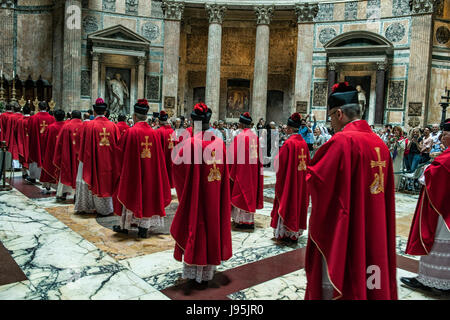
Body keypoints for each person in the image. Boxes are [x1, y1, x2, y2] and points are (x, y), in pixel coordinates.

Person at [305, 82, 397, 300]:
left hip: (349, 228)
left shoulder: (342, 141)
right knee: (371, 266)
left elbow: (317, 181)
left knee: (347, 272)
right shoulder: (380, 144)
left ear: (339, 114)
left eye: (331, 118)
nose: (331, 124)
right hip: (375, 225)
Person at [170, 102, 232, 287]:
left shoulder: (189, 144)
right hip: (214, 198)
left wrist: (186, 191)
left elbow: (177, 168)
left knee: (195, 228)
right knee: (211, 226)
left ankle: (193, 274)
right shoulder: (219, 144)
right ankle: (206, 273)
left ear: (194, 122)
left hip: (196, 197)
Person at [401, 119, 450, 293]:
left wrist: (429, 169)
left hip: (443, 211)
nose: (442, 138)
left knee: (438, 242)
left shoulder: (447, 157)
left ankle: (432, 280)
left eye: (444, 135)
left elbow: (434, 174)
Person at [113, 99, 172, 238]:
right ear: (146, 116)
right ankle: (143, 228)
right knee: (148, 197)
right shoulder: (154, 133)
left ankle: (125, 226)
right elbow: (160, 158)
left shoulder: (130, 132)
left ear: (134, 116)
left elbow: (119, 153)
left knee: (133, 194)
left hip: (134, 173)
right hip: (151, 173)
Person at [74, 98, 120, 217]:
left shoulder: (88, 125)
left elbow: (81, 142)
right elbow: (118, 147)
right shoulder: (113, 126)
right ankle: (107, 208)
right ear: (105, 112)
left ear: (94, 112)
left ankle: (87, 206)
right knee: (107, 182)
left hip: (91, 160)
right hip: (109, 162)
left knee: (89, 178)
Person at [270, 113, 310, 243]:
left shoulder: (289, 143)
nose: (286, 129)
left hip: (289, 182)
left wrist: (275, 159)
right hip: (301, 182)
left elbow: (279, 164)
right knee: (297, 203)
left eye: (287, 127)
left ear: (290, 129)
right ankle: (294, 231)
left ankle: (285, 232)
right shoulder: (303, 143)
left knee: (287, 201)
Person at [228, 112, 264, 230]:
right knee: (250, 192)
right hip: (253, 172)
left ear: (241, 125)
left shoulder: (240, 137)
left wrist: (229, 168)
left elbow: (231, 156)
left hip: (242, 171)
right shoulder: (255, 137)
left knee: (241, 192)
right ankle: (248, 220)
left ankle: (240, 220)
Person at [53, 110, 83, 202]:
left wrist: (58, 155)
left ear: (71, 116)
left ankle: (63, 194)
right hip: (81, 157)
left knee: (66, 173)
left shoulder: (66, 126)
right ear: (80, 117)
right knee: (80, 174)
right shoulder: (85, 126)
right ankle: (77, 195)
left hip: (68, 155)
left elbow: (59, 143)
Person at [26, 101, 56, 184]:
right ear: (47, 108)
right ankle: (46, 176)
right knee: (46, 158)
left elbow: (29, 131)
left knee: (35, 157)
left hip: (36, 143)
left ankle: (33, 177)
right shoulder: (52, 118)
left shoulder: (33, 118)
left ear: (38, 108)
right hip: (47, 143)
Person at [40, 109, 66, 194]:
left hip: (52, 151)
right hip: (64, 152)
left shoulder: (50, 127)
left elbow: (44, 140)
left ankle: (48, 186)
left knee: (50, 166)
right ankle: (63, 188)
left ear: (54, 117)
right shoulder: (67, 126)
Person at [157, 110, 175, 188]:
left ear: (159, 121)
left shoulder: (158, 132)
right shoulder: (173, 131)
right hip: (172, 157)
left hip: (162, 158)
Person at [17, 105, 32, 179]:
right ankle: (32, 175)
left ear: (23, 112)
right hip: (31, 142)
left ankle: (24, 172)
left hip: (22, 141)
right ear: (30, 111)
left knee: (23, 155)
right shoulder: (33, 120)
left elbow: (15, 131)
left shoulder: (20, 121)